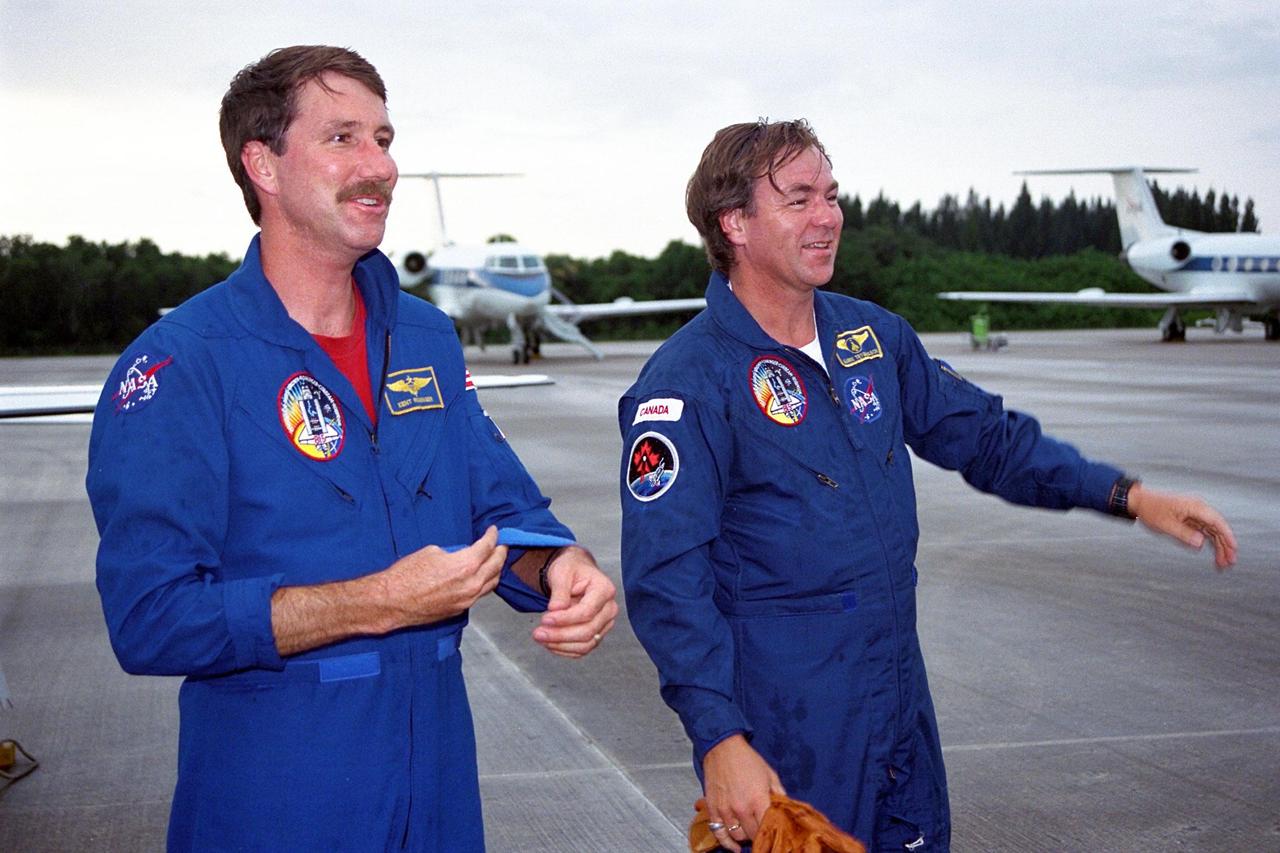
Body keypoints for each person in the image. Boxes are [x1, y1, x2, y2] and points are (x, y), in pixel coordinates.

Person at [617, 119, 1236, 852]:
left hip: (896, 698)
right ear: (735, 223)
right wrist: (721, 737)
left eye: (832, 194)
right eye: (799, 199)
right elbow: (667, 578)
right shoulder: (687, 382)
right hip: (786, 725)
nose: (829, 217)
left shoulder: (871, 340)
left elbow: (988, 438)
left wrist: (1128, 496)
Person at [86, 46, 617, 853]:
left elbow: (502, 505)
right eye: (343, 139)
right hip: (277, 798)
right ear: (262, 164)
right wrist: (376, 601)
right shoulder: (182, 363)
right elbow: (151, 618)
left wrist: (558, 568)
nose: (381, 166)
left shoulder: (426, 340)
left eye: (385, 137)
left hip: (439, 793)